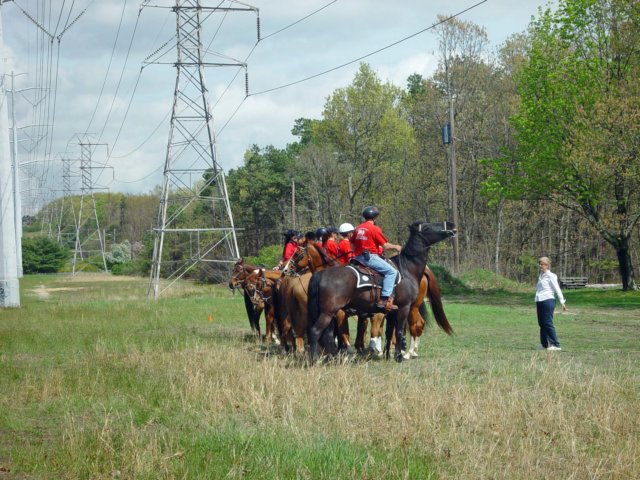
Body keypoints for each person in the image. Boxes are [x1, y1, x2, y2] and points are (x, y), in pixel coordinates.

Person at [353, 206, 402, 311]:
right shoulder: (374, 229)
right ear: (375, 218)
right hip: (370, 257)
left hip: (357, 257)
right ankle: (384, 300)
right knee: (392, 272)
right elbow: (385, 246)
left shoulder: (358, 228)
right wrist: (396, 246)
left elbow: (352, 243)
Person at [535, 256, 567, 351]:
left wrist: (562, 302)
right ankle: (544, 344)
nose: (540, 266)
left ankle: (556, 345)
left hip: (548, 301)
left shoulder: (551, 276)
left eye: (542, 264)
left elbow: (557, 289)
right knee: (541, 323)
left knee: (548, 323)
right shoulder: (541, 275)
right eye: (539, 264)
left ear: (547, 265)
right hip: (539, 301)